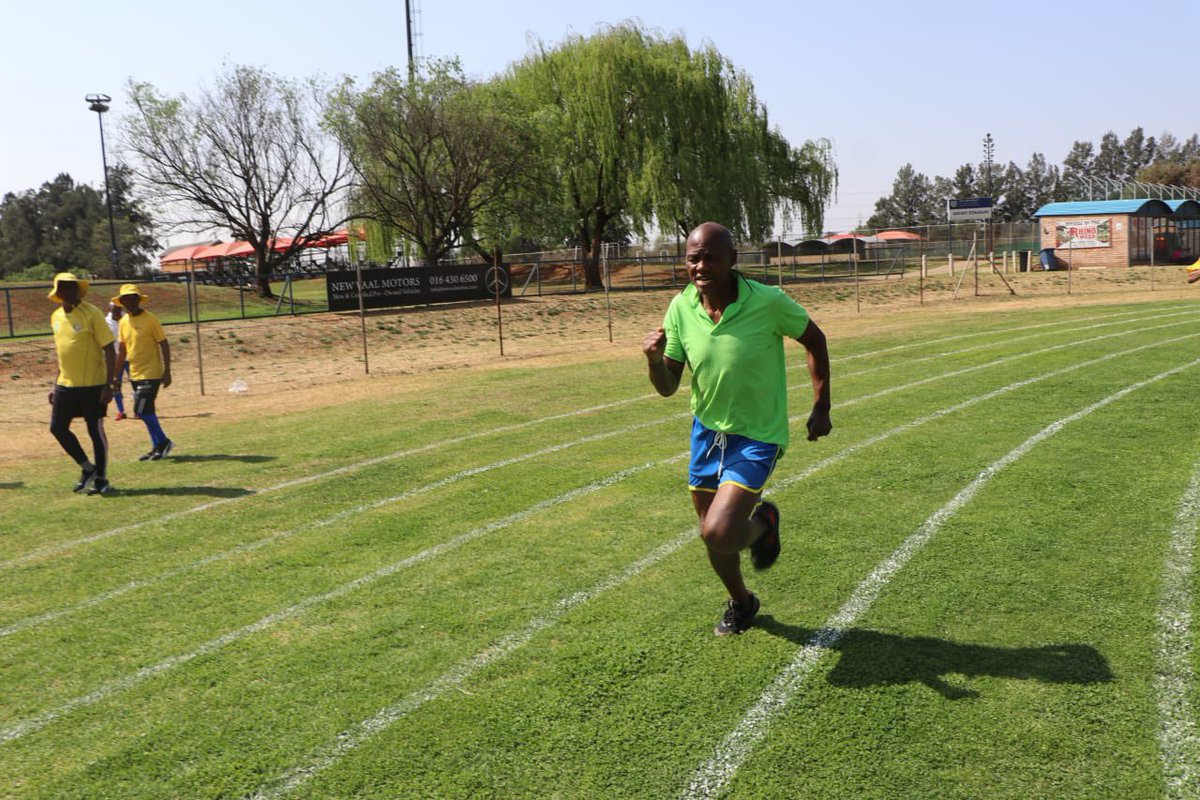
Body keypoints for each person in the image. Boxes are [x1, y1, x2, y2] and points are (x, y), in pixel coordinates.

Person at [642, 222, 832, 636]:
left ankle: (764, 522)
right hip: (707, 436)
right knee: (714, 538)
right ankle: (742, 602)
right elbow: (669, 386)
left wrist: (821, 406)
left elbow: (815, 340)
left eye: (711, 256)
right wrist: (655, 361)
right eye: (694, 257)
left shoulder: (767, 301)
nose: (701, 265)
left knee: (719, 530)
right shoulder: (680, 308)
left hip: (756, 436)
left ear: (732, 260)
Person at [47, 272, 117, 495]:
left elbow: (109, 349)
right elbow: (63, 353)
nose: (68, 292)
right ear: (57, 293)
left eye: (72, 288)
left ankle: (101, 479)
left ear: (78, 290)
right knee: (57, 428)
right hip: (66, 384)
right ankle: (87, 468)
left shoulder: (92, 313)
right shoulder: (56, 317)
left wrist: (110, 385)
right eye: (63, 288)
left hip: (92, 385)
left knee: (94, 431)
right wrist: (55, 383)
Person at [112, 283, 175, 461]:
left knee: (140, 409)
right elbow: (122, 350)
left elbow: (163, 343)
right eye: (126, 299)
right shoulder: (123, 322)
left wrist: (167, 370)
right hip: (134, 373)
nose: (130, 302)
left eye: (133, 298)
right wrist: (116, 377)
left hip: (152, 373)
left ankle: (163, 441)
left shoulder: (151, 319)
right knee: (148, 410)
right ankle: (156, 447)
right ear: (122, 302)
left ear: (139, 300)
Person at [104, 302, 132, 420]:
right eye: (114, 309)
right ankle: (121, 411)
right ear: (109, 309)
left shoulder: (127, 319)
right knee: (115, 384)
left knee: (136, 383)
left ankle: (139, 411)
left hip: (130, 357)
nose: (117, 311)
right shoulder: (105, 322)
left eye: (119, 309)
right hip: (116, 359)